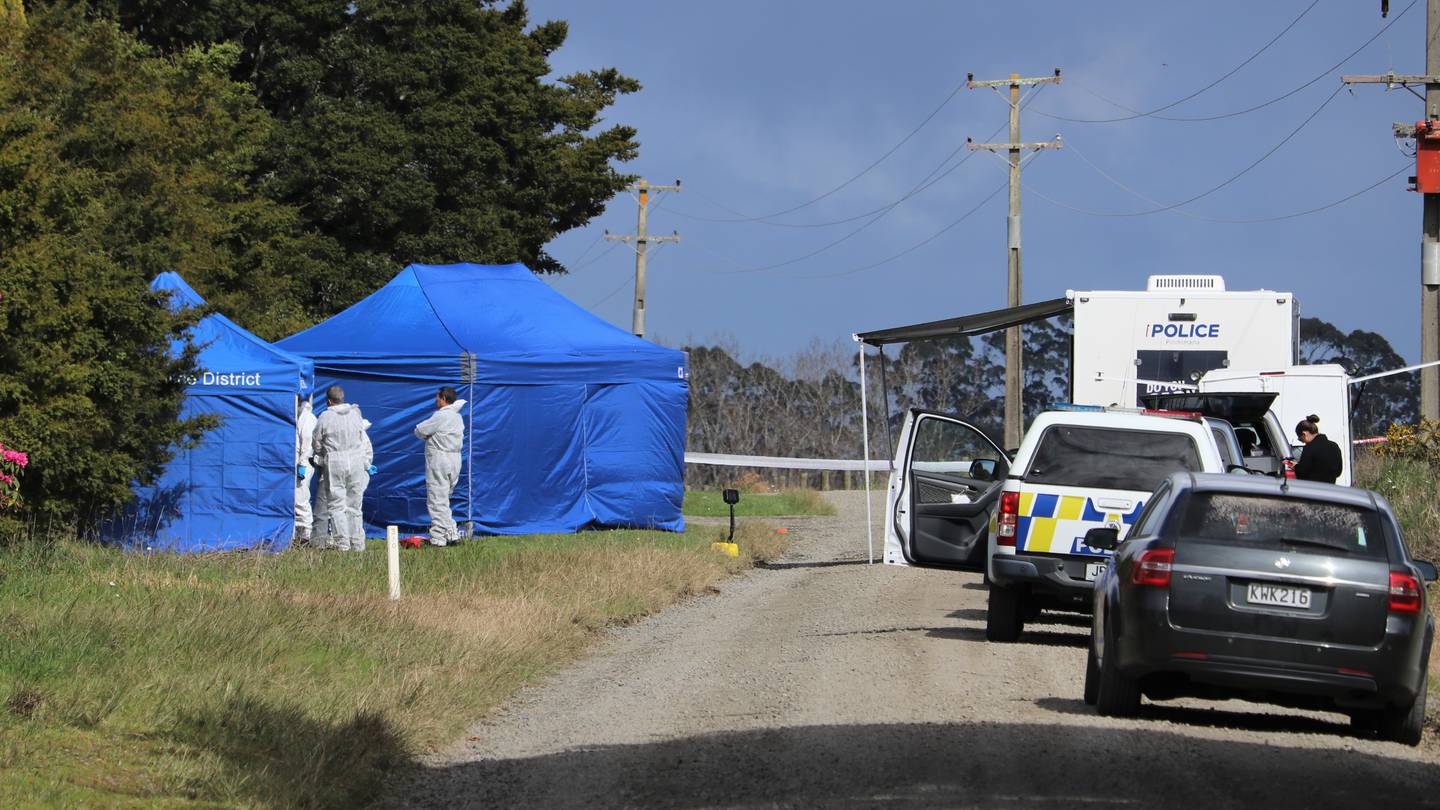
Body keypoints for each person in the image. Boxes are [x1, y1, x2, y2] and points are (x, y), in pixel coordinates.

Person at [312, 385, 374, 552]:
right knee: (354, 505)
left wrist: (321, 454)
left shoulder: (325, 417)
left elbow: (316, 441)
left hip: (335, 461)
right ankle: (358, 544)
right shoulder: (355, 413)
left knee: (336, 505)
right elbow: (362, 437)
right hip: (355, 460)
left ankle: (343, 544)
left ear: (328, 401)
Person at [414, 386, 466, 547]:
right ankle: (452, 533)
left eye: (437, 398)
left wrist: (429, 436)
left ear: (443, 398)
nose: (436, 400)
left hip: (440, 460)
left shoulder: (441, 415)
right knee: (444, 500)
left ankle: (438, 539)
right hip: (455, 460)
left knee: (437, 500)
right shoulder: (458, 417)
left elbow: (419, 429)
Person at [294, 396, 318, 546]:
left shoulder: (307, 418)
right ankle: (299, 532)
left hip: (303, 463)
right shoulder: (300, 415)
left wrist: (302, 463)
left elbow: (307, 445)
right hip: (300, 462)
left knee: (300, 498)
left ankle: (306, 534)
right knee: (298, 498)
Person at [1292, 414, 1343, 484]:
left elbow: (1302, 474)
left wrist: (1295, 467)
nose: (1303, 442)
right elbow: (1338, 472)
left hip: (1313, 488)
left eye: (1300, 439)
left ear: (1304, 434)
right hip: (1330, 488)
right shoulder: (1334, 446)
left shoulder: (1309, 448)